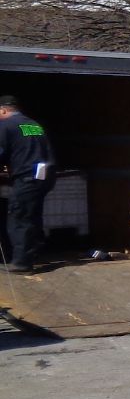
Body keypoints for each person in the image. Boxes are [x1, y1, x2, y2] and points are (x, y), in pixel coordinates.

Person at [0, 95, 55, 273]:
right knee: (33, 216)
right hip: (44, 177)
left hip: (26, 178)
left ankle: (22, 263)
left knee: (19, 218)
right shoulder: (33, 124)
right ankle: (34, 254)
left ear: (3, 110)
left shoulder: (5, 125)